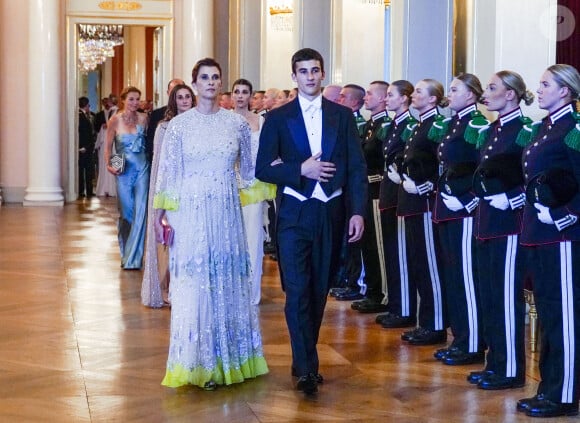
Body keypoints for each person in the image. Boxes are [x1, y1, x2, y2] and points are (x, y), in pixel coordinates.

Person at [256, 48, 367, 395]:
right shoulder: (278, 118)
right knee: (298, 291)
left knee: (319, 290)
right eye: (302, 71)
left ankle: (304, 354)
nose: (309, 76)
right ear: (294, 76)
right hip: (294, 213)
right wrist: (300, 170)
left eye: (314, 70)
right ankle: (307, 366)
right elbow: (261, 168)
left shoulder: (342, 116)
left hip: (331, 212)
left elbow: (357, 167)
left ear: (322, 74)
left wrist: (358, 211)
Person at [154, 58, 268, 390]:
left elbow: (248, 171)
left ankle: (231, 358)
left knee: (226, 279)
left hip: (226, 212)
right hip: (189, 211)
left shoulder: (237, 124)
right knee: (195, 282)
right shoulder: (179, 126)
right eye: (204, 77)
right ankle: (195, 360)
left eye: (215, 77)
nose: (210, 82)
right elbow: (169, 173)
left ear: (222, 83)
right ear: (194, 82)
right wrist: (164, 214)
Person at [516, 64, 580, 418]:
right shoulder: (543, 128)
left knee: (565, 316)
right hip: (539, 234)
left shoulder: (574, 129)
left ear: (565, 91)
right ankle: (549, 388)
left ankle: (565, 393)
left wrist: (564, 214)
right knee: (551, 312)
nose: (538, 90)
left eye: (545, 85)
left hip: (564, 235)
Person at [468, 70, 534, 391]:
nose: (486, 93)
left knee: (507, 297)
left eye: (493, 88)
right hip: (486, 222)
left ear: (511, 94)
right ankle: (494, 362)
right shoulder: (491, 130)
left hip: (509, 224)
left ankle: (510, 369)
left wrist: (509, 198)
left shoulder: (524, 130)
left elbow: (528, 175)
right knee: (490, 295)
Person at [431, 73, 486, 366]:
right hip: (447, 206)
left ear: (471, 95)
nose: (449, 94)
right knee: (453, 275)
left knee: (466, 277)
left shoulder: (476, 123)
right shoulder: (455, 122)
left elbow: (482, 166)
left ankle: (473, 341)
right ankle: (461, 338)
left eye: (455, 90)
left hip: (464, 209)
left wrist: (469, 199)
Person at [398, 79, 447, 346]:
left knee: (430, 265)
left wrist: (425, 186)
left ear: (432, 99)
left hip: (425, 200)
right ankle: (425, 320)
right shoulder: (420, 124)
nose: (412, 95)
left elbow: (438, 163)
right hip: (412, 200)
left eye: (418, 91)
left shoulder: (436, 125)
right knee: (418, 262)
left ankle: (436, 323)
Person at [141, 84, 194, 308]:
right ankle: (167, 287)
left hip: (192, 187)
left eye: (187, 97)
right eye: (180, 97)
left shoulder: (198, 124)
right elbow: (159, 163)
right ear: (174, 100)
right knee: (171, 240)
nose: (184, 101)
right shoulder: (164, 126)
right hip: (168, 188)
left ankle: (187, 287)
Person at [375, 80, 418, 328]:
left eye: (391, 95)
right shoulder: (394, 125)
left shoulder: (409, 125)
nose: (386, 99)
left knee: (400, 253)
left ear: (404, 99)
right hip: (388, 190)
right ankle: (396, 304)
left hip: (401, 191)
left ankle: (404, 308)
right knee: (391, 250)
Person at [232, 78, 276, 305]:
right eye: (237, 92)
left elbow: (269, 151)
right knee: (229, 238)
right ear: (231, 95)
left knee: (253, 237)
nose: (240, 96)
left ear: (250, 96)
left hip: (255, 186)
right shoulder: (224, 120)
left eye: (245, 92)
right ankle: (231, 289)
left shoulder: (260, 121)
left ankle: (250, 291)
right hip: (228, 186)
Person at [351, 81, 391, 314]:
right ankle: (373, 290)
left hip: (377, 189)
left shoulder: (385, 125)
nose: (366, 97)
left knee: (378, 246)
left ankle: (381, 293)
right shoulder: (370, 125)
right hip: (366, 190)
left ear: (384, 98)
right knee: (367, 244)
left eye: (370, 93)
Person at [104, 86, 150, 270]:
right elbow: (108, 147)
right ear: (123, 100)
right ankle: (126, 252)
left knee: (140, 210)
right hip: (123, 170)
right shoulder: (114, 120)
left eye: (137, 99)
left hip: (142, 168)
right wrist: (109, 164)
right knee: (127, 212)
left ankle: (134, 259)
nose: (135, 102)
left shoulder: (144, 119)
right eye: (131, 99)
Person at [146, 78, 186, 163]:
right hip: (163, 162)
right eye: (173, 92)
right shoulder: (157, 114)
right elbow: (150, 143)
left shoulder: (192, 114)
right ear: (168, 93)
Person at [94, 97, 117, 197]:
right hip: (107, 142)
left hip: (115, 143)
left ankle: (113, 188)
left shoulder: (116, 112)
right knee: (106, 163)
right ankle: (106, 188)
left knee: (114, 164)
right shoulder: (106, 113)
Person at [78, 97, 95, 198]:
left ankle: (88, 191)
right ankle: (82, 191)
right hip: (84, 148)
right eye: (88, 105)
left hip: (88, 147)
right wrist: (82, 146)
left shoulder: (85, 115)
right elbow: (81, 133)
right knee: (84, 170)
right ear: (86, 105)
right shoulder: (80, 116)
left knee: (88, 170)